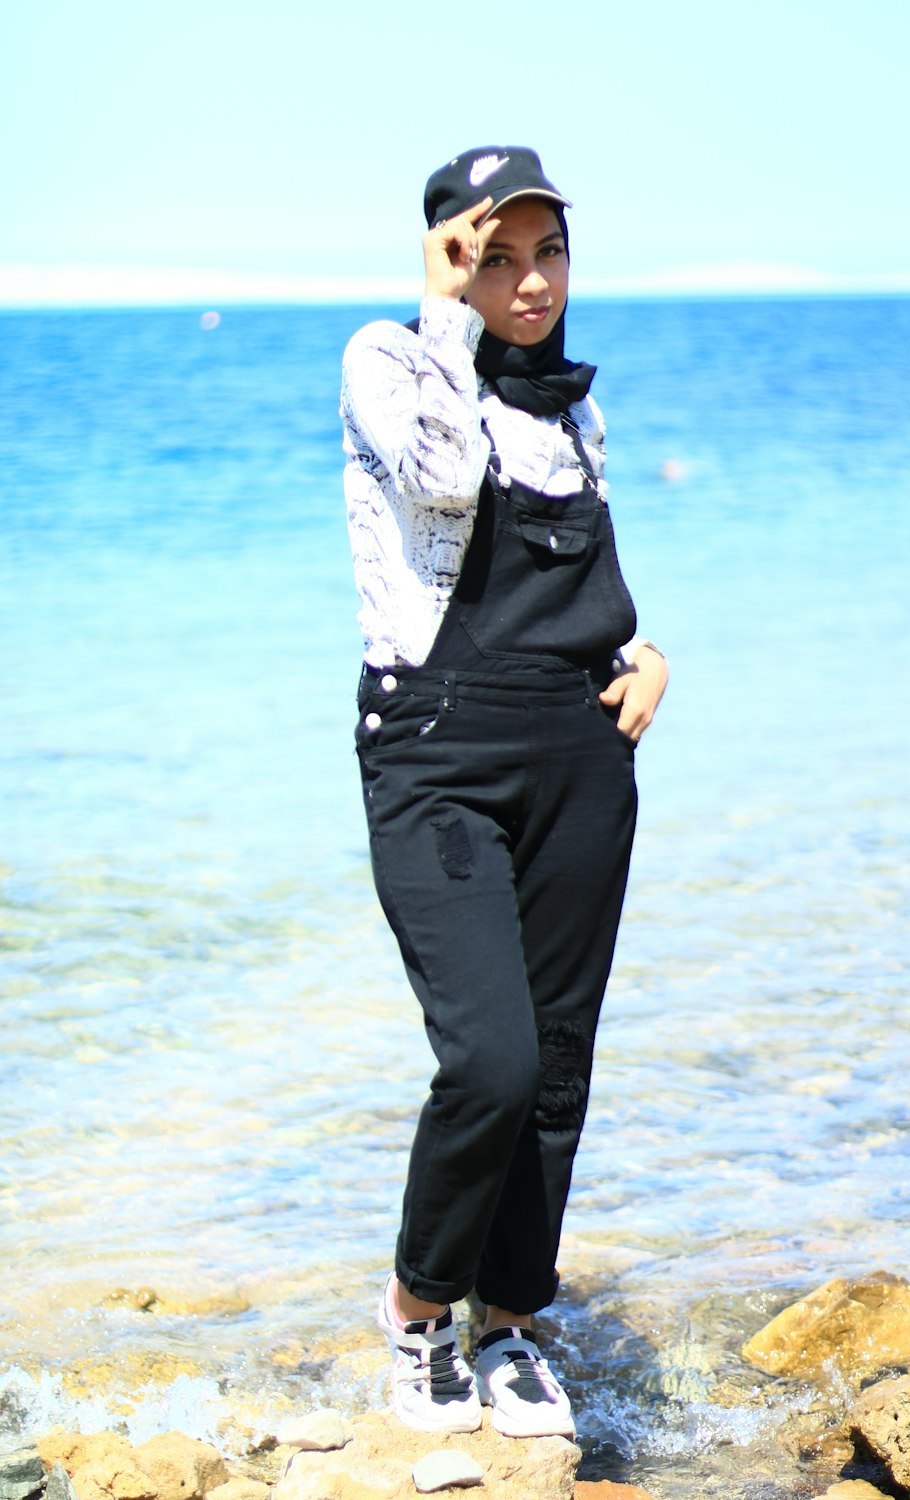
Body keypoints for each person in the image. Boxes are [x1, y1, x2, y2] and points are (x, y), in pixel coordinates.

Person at [340, 146, 668, 1440]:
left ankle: (514, 1325)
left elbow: (589, 591)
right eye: (497, 252)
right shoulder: (385, 361)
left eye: (549, 253)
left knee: (560, 1066)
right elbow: (440, 481)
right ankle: (422, 1312)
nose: (529, 281)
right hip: (434, 749)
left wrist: (647, 657)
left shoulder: (576, 410)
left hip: (579, 752)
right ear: (447, 255)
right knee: (490, 1057)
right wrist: (441, 317)